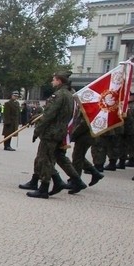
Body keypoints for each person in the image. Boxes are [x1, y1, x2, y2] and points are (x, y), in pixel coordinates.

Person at [23, 70, 86, 198]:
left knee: (45, 159)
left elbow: (49, 115)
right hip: (61, 131)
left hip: (51, 132)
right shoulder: (70, 95)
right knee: (53, 157)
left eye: (54, 79)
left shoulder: (58, 95)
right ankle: (59, 182)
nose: (52, 81)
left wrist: (37, 130)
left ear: (59, 80)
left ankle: (44, 188)